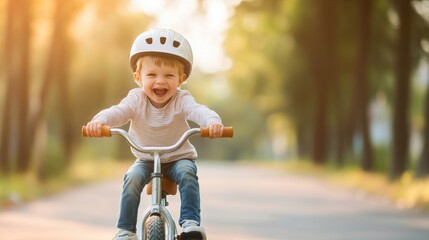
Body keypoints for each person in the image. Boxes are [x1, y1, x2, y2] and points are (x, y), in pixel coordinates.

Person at [85, 29, 224, 240]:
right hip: (145, 158)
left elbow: (198, 111)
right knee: (131, 178)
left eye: (169, 75)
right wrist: (99, 121)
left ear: (181, 78)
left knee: (188, 174)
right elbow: (118, 111)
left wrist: (212, 122)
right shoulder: (135, 99)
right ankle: (126, 230)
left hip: (178, 157)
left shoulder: (182, 99)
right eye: (151, 75)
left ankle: (190, 224)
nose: (160, 81)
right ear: (138, 78)